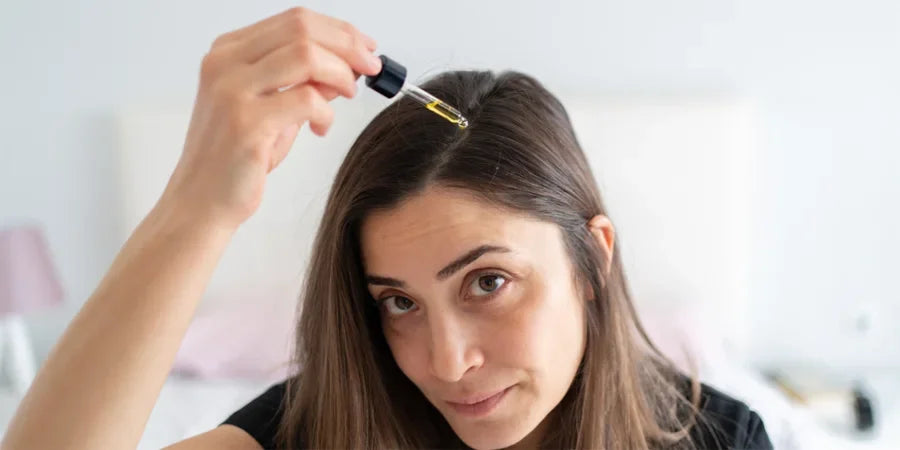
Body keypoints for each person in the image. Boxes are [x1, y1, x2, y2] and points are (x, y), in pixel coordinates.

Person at [1, 7, 772, 450]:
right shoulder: (326, 426)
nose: (448, 362)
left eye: (489, 282)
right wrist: (196, 206)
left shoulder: (718, 438)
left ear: (592, 261)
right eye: (398, 302)